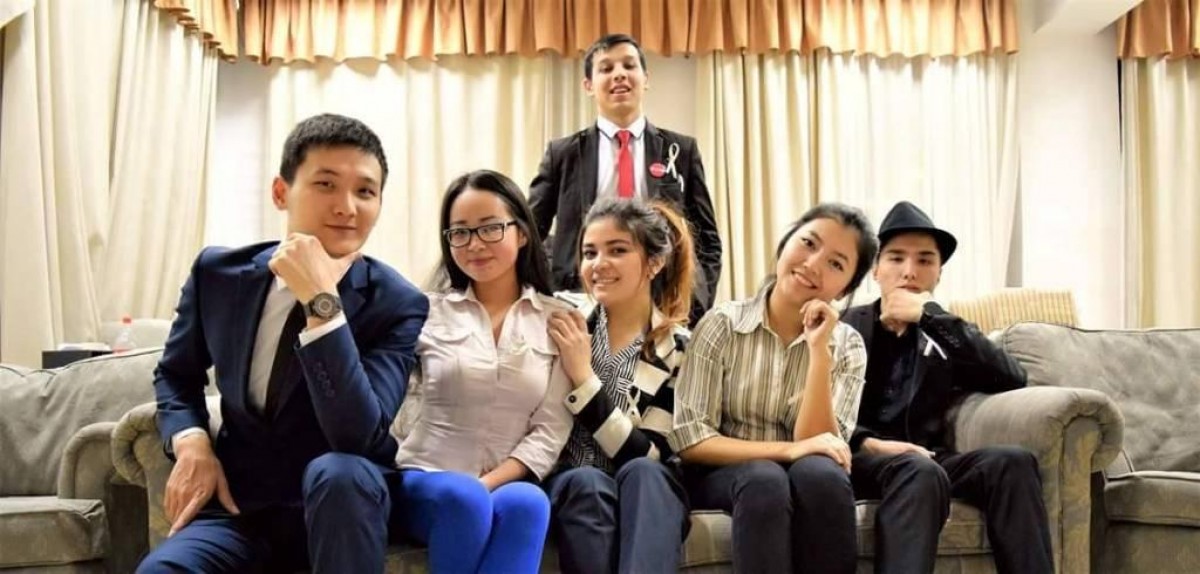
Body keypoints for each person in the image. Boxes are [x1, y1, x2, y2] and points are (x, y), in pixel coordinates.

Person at [140, 113, 429, 573]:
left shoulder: (396, 303)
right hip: (238, 508)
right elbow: (176, 375)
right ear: (281, 192)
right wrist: (193, 442)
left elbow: (356, 436)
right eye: (326, 184)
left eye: (365, 192)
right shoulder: (217, 275)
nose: (347, 207)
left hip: (339, 510)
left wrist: (321, 302)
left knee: (339, 470)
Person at [844, 201, 1054, 574]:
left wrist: (931, 316)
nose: (910, 271)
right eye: (896, 258)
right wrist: (867, 442)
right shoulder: (845, 326)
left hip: (929, 460)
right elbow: (813, 406)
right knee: (917, 471)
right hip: (857, 458)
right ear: (875, 268)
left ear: (939, 274)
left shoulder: (945, 333)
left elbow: (1011, 378)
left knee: (1013, 463)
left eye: (925, 260)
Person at [670, 203, 879, 573]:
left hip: (805, 471)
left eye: (835, 263)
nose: (813, 264)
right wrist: (789, 451)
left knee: (822, 475)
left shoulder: (847, 346)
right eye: (808, 243)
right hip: (725, 473)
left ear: (847, 286)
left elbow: (822, 446)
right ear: (785, 243)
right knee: (764, 479)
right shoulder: (722, 324)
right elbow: (691, 439)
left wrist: (819, 352)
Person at [390, 169, 574, 573]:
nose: (474, 244)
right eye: (460, 232)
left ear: (521, 233)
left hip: (502, 481)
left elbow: (550, 429)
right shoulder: (424, 312)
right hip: (427, 479)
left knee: (529, 501)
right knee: (465, 499)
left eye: (490, 228)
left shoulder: (559, 319)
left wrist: (489, 482)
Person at [543, 198, 695, 573]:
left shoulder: (680, 350)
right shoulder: (562, 324)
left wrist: (584, 379)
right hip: (571, 484)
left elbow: (650, 455)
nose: (598, 264)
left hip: (645, 488)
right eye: (589, 253)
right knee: (587, 483)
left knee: (645, 473)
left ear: (655, 263)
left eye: (617, 250)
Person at [529, 33, 721, 327]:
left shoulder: (681, 150)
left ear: (646, 78)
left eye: (629, 66)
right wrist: (547, 296)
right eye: (606, 68)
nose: (619, 74)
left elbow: (707, 239)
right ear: (588, 85)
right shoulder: (563, 154)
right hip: (582, 304)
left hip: (664, 304)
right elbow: (530, 233)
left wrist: (695, 304)